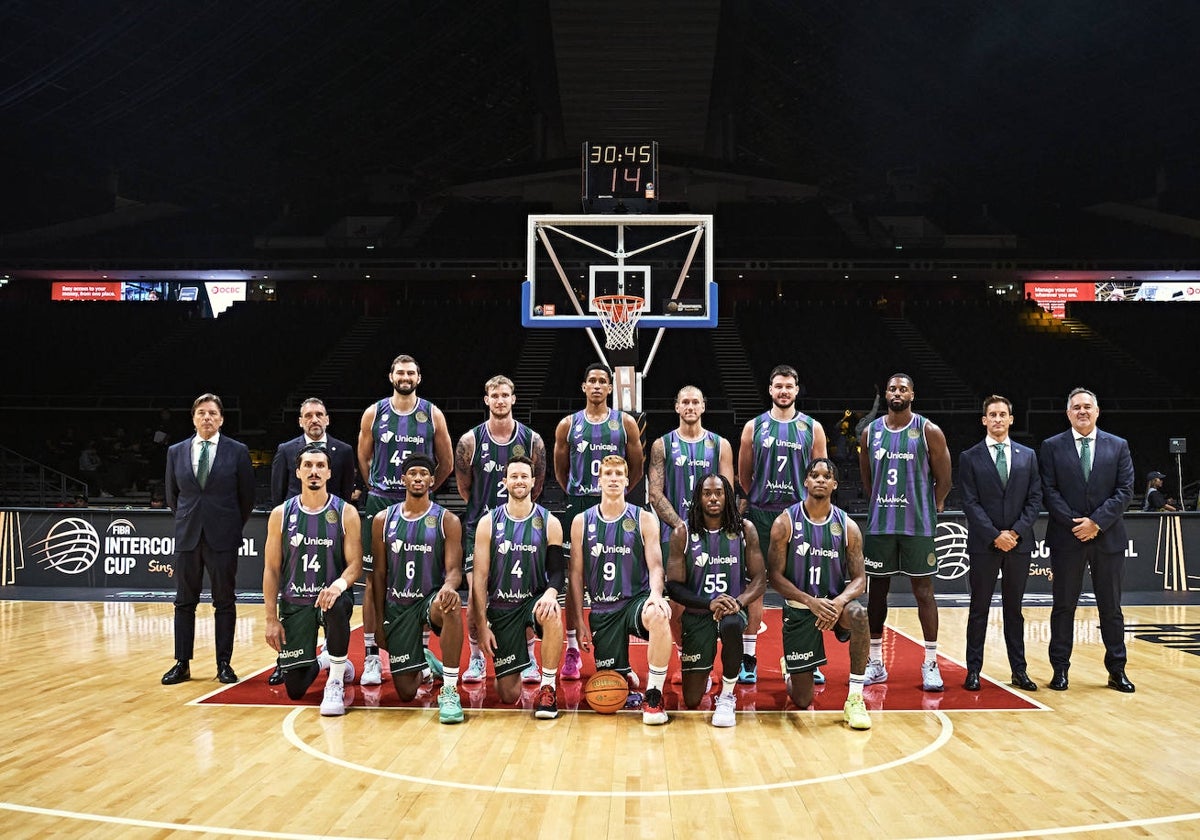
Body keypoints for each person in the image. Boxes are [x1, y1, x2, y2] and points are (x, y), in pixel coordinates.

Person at [357, 354, 454, 688]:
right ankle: (371, 656)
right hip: (383, 498)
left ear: (419, 377)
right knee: (374, 581)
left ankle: (422, 654)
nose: (405, 376)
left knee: (425, 580)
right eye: (400, 372)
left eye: (411, 372)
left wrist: (423, 489)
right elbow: (364, 456)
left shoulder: (432, 413)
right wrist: (376, 487)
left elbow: (447, 461)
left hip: (418, 504)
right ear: (391, 376)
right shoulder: (375, 412)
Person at [857, 373, 952, 692]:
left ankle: (930, 663)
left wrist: (933, 503)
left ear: (913, 394)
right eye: (892, 388)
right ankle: (875, 662)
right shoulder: (870, 432)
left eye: (903, 388)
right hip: (881, 525)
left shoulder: (928, 431)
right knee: (877, 594)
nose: (897, 393)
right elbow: (867, 480)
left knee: (923, 592)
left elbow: (945, 479)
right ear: (885, 394)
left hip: (917, 525)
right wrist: (881, 503)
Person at [1040, 387, 1136, 693]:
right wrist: (1076, 524)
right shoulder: (1052, 446)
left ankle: (1117, 670)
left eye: (1087, 407)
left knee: (1111, 608)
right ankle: (1060, 670)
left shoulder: (1118, 445)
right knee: (1063, 606)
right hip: (1068, 538)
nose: (1082, 411)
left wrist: (1097, 522)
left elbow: (1124, 491)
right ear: (1068, 413)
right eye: (1076, 407)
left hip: (1107, 538)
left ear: (1097, 411)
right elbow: (1049, 490)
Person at [737, 363, 827, 684]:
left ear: (797, 389)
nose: (784, 391)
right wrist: (760, 498)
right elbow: (744, 476)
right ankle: (749, 658)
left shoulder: (812, 428)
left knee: (802, 590)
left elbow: (820, 475)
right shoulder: (754, 427)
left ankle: (805, 659)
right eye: (778, 386)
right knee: (757, 586)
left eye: (789, 386)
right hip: (761, 513)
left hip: (799, 517)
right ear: (770, 390)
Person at [455, 375, 548, 687]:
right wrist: (489, 518)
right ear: (486, 400)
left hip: (520, 527)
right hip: (479, 528)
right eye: (494, 395)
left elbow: (537, 485)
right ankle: (476, 657)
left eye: (505, 395)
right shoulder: (470, 441)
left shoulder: (532, 440)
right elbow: (464, 487)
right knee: (476, 593)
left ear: (513, 399)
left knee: (523, 593)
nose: (499, 400)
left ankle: (529, 655)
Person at [553, 362, 644, 681]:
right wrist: (580, 495)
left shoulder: (626, 424)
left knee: (615, 579)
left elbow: (635, 470)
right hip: (578, 504)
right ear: (583, 387)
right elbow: (561, 471)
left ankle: (620, 647)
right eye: (591, 380)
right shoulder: (568, 425)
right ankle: (573, 649)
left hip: (614, 507)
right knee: (572, 579)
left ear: (610, 388)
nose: (596, 385)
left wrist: (613, 495)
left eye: (602, 381)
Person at [768, 458, 872, 730]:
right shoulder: (785, 522)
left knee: (859, 614)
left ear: (835, 484)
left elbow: (860, 580)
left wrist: (838, 603)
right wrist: (810, 602)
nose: (820, 480)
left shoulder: (848, 526)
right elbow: (774, 577)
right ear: (806, 481)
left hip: (835, 608)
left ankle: (855, 698)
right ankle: (789, 667)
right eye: (815, 475)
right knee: (802, 700)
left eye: (827, 476)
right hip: (802, 609)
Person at [568, 455, 671, 725]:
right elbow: (576, 576)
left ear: (627, 481)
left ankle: (654, 694)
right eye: (608, 473)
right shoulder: (581, 521)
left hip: (634, 603)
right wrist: (578, 621)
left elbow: (656, 566)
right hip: (603, 610)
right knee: (611, 690)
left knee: (659, 616)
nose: (613, 478)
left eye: (618, 474)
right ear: (599, 480)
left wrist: (656, 595)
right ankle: (623, 669)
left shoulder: (644, 519)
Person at [161, 393, 255, 686]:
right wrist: (192, 519)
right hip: (188, 536)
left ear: (221, 419)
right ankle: (182, 663)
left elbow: (247, 498)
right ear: (193, 418)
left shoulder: (237, 451)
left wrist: (227, 525)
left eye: (212, 413)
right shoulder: (176, 451)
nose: (207, 417)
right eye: (201, 412)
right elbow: (172, 496)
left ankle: (223, 664)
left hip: (223, 537)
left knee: (224, 601)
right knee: (183, 602)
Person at [262, 444, 363, 715]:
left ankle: (335, 681)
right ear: (298, 472)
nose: (314, 471)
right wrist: (271, 619)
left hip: (329, 599)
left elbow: (355, 565)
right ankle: (327, 660)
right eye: (308, 465)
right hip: (295, 604)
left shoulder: (346, 512)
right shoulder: (281, 515)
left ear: (329, 473)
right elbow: (272, 570)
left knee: (338, 604)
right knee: (295, 688)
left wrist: (338, 586)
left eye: (320, 466)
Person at [664, 474, 765, 727]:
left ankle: (727, 695)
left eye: (719, 493)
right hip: (699, 612)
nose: (713, 498)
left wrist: (739, 602)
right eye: (707, 493)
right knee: (691, 699)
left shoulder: (744, 530)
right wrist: (707, 603)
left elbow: (760, 579)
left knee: (732, 625)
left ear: (727, 496)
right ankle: (703, 669)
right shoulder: (682, 533)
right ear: (698, 497)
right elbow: (673, 586)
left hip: (732, 610)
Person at [372, 454, 466, 722]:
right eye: (412, 473)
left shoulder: (447, 520)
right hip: (397, 606)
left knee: (451, 604)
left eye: (423, 474)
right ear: (403, 479)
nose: (417, 478)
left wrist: (449, 586)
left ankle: (449, 689)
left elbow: (454, 571)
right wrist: (378, 623)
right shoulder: (382, 519)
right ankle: (425, 664)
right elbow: (378, 575)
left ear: (432, 480)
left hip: (429, 601)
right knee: (405, 692)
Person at [470, 456, 565, 719]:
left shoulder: (549, 522)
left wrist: (550, 592)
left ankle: (548, 687)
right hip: (502, 608)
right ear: (505, 482)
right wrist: (481, 625)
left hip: (532, 602)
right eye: (514, 476)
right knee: (508, 694)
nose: (519, 481)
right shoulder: (488, 523)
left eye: (524, 476)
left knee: (553, 611)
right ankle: (518, 660)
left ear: (534, 482)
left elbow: (558, 572)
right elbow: (479, 579)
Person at [959, 395, 1043, 692]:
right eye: (992, 415)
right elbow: (969, 502)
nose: (997, 419)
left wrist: (1016, 532)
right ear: (984, 420)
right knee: (979, 608)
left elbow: (1035, 500)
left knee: (1014, 610)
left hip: (1018, 544)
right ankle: (973, 671)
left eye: (1002, 414)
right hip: (985, 544)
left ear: (1011, 419)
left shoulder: (1028, 455)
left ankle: (1019, 671)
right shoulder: (970, 457)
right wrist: (995, 534)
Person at [270, 397, 358, 507]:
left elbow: (346, 491)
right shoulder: (285, 450)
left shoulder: (344, 451)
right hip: (295, 516)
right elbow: (278, 491)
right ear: (300, 422)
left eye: (319, 414)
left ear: (327, 420)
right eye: (308, 416)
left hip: (332, 516)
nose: (315, 420)